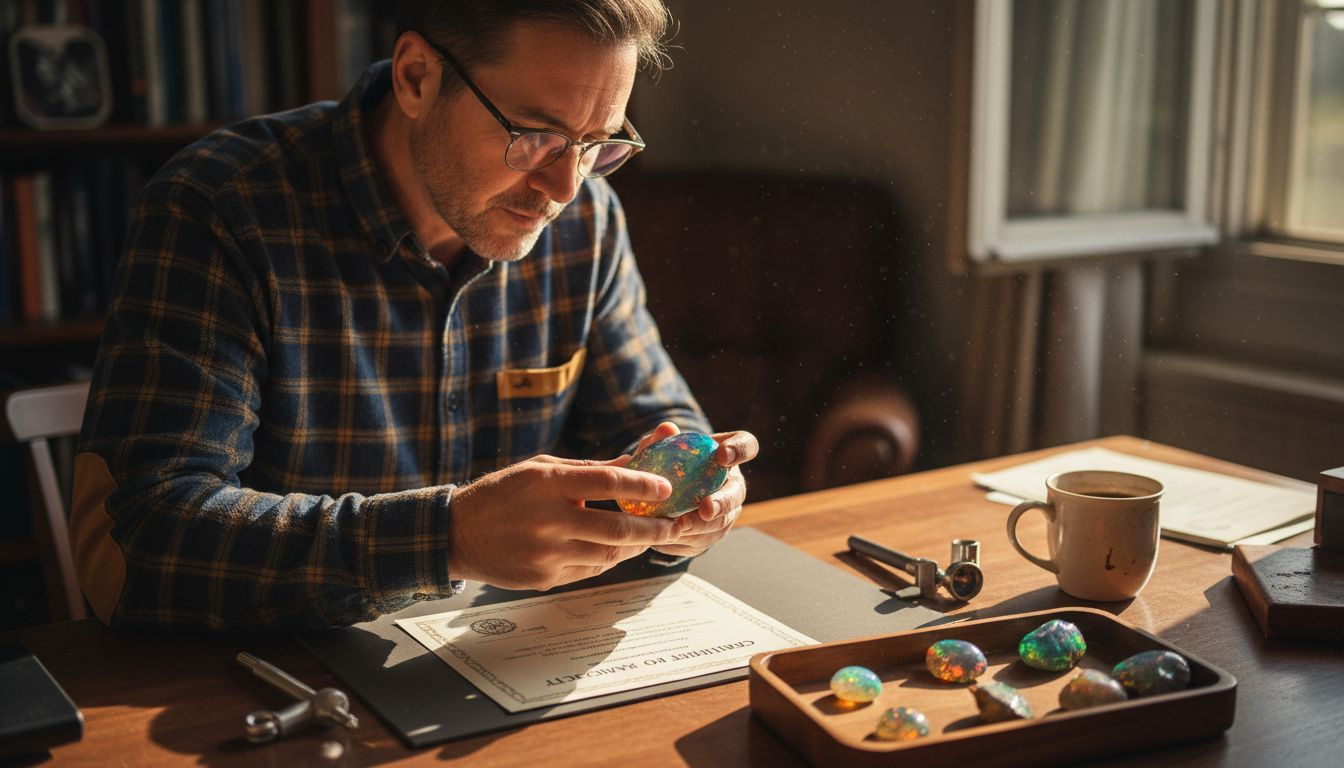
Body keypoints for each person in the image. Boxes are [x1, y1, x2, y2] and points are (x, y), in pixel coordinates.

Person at [69, 0, 757, 631]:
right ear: (417, 78)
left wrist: (696, 494)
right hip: (274, 688)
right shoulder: (223, 208)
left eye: (597, 144)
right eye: (537, 136)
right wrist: (448, 539)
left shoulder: (587, 222)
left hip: (497, 671)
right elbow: (137, 542)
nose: (564, 187)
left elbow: (653, 422)